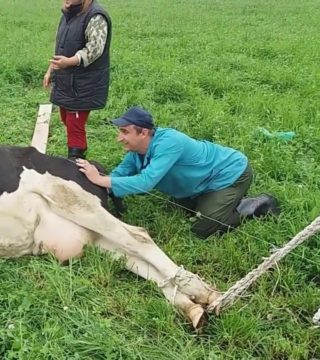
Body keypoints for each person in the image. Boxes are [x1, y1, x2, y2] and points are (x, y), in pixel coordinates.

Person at [76, 106, 280, 238]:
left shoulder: (170, 142)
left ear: (144, 132)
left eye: (124, 132)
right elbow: (121, 173)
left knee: (203, 228)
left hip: (228, 174)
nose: (119, 138)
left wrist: (101, 180)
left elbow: (146, 182)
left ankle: (253, 205)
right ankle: (215, 201)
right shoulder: (137, 151)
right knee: (178, 207)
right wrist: (96, 180)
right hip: (200, 184)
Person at [43, 0, 112, 159]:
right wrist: (50, 71)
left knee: (75, 124)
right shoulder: (68, 15)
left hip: (84, 82)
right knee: (66, 118)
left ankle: (76, 163)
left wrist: (69, 61)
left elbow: (95, 49)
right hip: (66, 79)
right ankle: (81, 153)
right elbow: (60, 46)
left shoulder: (96, 16)